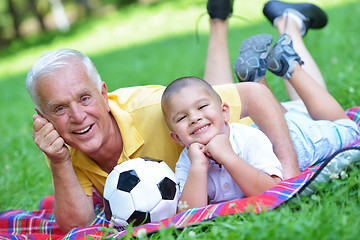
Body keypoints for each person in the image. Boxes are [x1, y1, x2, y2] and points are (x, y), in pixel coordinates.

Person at [25, 3, 298, 232]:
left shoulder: (152, 109)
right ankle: (220, 23)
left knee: (306, 108)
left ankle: (290, 24)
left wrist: (289, 178)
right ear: (43, 118)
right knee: (205, 96)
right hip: (211, 149)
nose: (77, 116)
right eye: (59, 109)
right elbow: (78, 226)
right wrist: (58, 161)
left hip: (262, 134)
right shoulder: (62, 143)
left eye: (85, 98)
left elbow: (255, 96)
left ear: (103, 94)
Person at [161, 77, 283, 210]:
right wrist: (199, 166)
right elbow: (186, 215)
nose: (194, 118)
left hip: (300, 137)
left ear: (224, 112)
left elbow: (273, 193)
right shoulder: (186, 162)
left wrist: (228, 157)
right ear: (177, 138)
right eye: (182, 118)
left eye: (202, 106)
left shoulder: (249, 138)